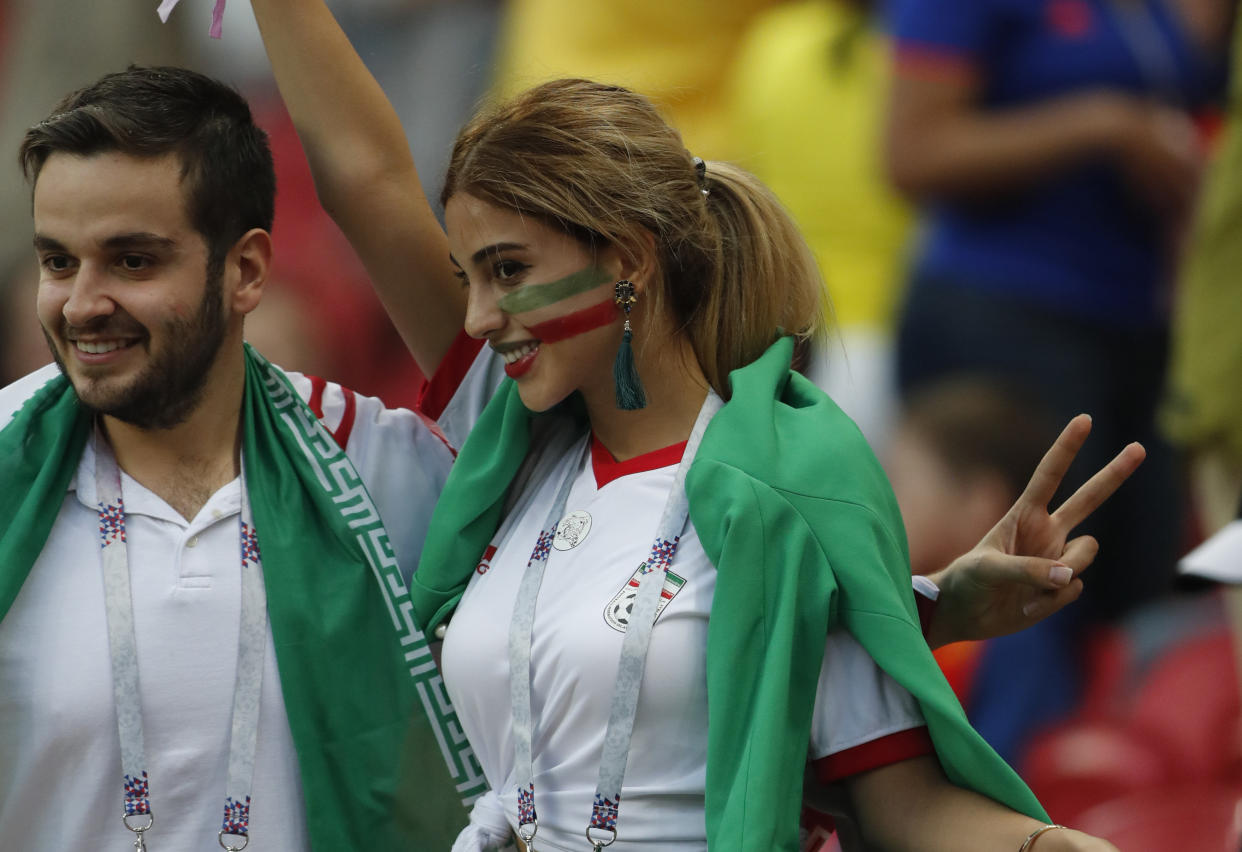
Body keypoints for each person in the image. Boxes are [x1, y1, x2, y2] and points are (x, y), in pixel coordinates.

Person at [248, 2, 1141, 849]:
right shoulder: (510, 441)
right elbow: (365, 180)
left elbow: (904, 806)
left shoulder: (792, 486)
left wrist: (1053, 843)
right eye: (469, 277)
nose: (477, 318)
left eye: (508, 271)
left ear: (628, 260)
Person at [0, 66, 484, 850]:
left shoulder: (381, 467)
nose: (82, 304)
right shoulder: (3, 464)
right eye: (58, 262)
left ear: (247, 270)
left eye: (132, 262)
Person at [883, 0, 1230, 763]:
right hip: (1004, 321)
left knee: (1126, 597)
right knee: (1024, 598)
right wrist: (1103, 126)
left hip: (1140, 329)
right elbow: (909, 153)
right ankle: (994, 800)